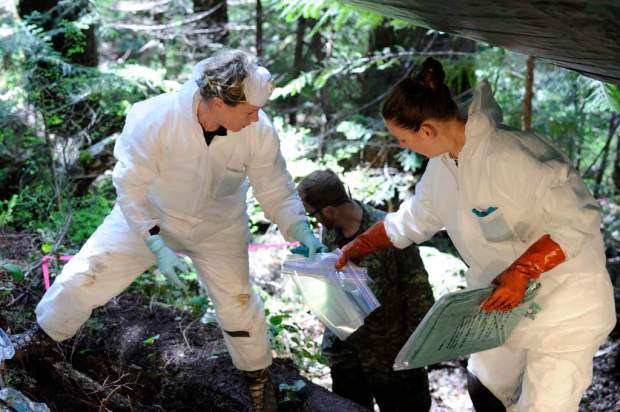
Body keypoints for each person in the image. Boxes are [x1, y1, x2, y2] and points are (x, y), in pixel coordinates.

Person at [10, 49, 326, 412]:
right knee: (88, 272)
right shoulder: (153, 117)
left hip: (218, 226)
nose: (257, 117)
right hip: (147, 216)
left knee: (238, 302)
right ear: (220, 101)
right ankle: (40, 336)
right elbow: (131, 188)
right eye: (249, 110)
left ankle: (258, 378)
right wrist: (156, 243)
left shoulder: (259, 130)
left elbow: (274, 187)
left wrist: (300, 229)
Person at [335, 57, 616, 412]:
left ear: (427, 130)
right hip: (504, 301)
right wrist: (359, 246)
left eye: (402, 138)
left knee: (545, 405)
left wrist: (523, 270)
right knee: (484, 387)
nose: (403, 146)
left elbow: (579, 220)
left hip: (567, 307)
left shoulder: (512, 155)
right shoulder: (443, 168)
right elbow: (412, 220)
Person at [296, 169, 434, 411]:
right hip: (348, 353)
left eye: (313, 214)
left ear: (328, 210)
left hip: (391, 354)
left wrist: (417, 349)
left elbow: (418, 292)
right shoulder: (329, 232)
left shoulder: (391, 231)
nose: (313, 219)